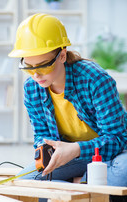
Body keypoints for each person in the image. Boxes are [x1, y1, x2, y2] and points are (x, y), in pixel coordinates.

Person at [9, 13, 127, 188]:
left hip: (112, 155)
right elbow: (42, 135)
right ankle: (90, 184)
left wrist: (76, 149)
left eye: (44, 65)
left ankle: (76, 184)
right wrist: (46, 151)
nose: (36, 75)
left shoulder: (95, 80)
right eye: (28, 67)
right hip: (71, 156)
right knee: (23, 183)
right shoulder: (31, 88)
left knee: (122, 174)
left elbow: (117, 139)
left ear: (62, 55)